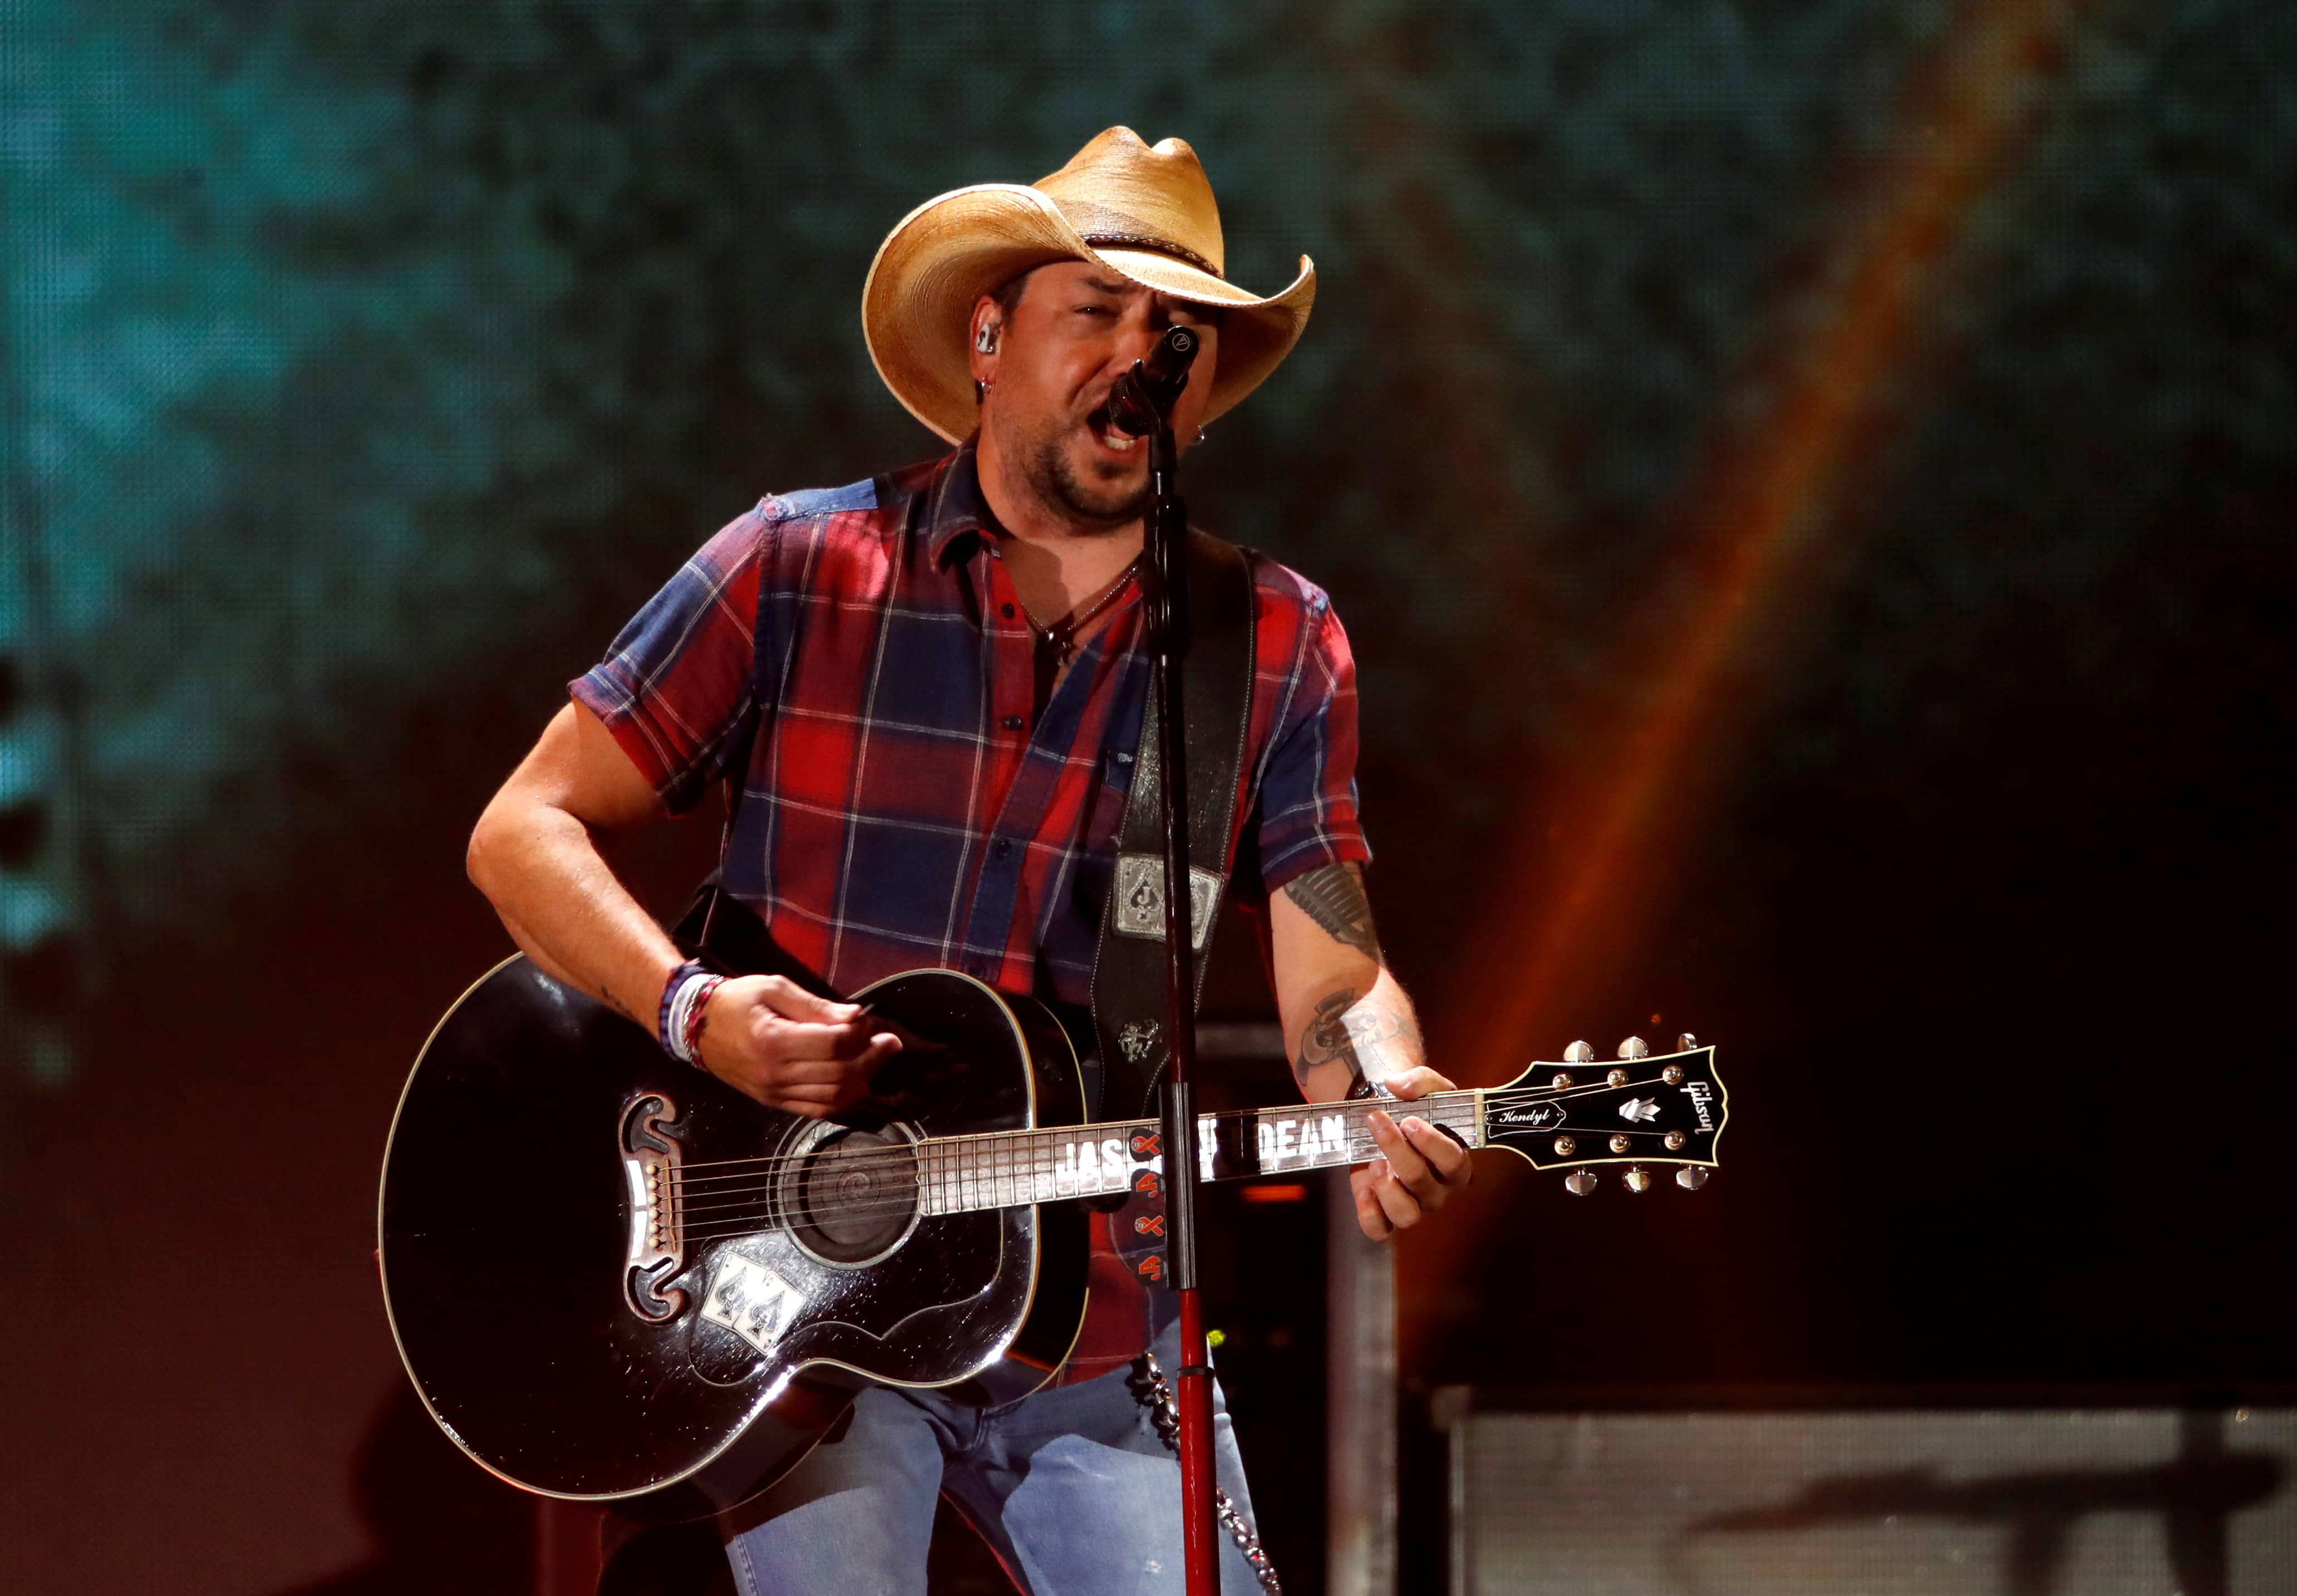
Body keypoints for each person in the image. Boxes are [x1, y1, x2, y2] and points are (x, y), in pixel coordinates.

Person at [466, 127, 1472, 1596]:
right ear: (990, 335)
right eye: (1098, 312)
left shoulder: (1267, 643)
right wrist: (698, 1013)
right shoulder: (797, 565)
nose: (1141, 355)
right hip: (802, 1308)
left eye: (1173, 333)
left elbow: (1336, 963)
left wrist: (1383, 1089)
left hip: (1094, 1315)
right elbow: (521, 830)